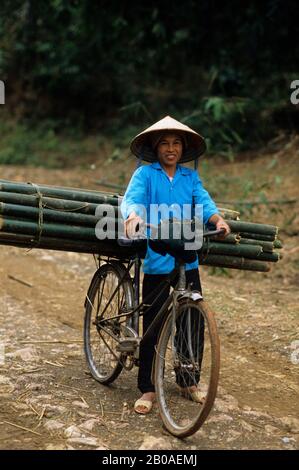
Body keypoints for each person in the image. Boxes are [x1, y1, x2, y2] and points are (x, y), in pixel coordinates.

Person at [120, 116, 230, 414]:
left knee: (191, 318)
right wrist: (134, 217)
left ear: (183, 148)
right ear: (156, 148)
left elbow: (203, 201)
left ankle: (188, 381)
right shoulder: (146, 175)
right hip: (157, 255)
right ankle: (148, 388)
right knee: (154, 320)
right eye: (165, 143)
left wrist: (216, 219)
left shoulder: (189, 178)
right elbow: (133, 200)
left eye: (176, 143)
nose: (171, 148)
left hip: (186, 254)